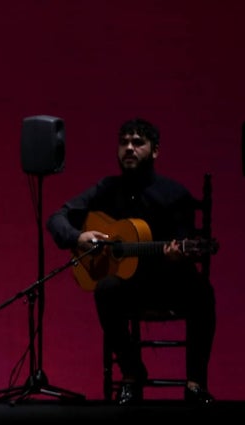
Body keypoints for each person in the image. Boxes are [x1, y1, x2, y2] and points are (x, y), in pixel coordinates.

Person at [47, 118, 216, 405]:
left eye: (138, 143)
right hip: (129, 286)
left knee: (203, 292)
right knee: (105, 289)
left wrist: (177, 253)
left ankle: (195, 382)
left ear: (155, 151)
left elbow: (185, 244)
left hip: (167, 280)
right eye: (124, 142)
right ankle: (132, 371)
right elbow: (57, 218)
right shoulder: (107, 188)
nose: (129, 148)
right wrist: (77, 237)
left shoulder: (175, 195)